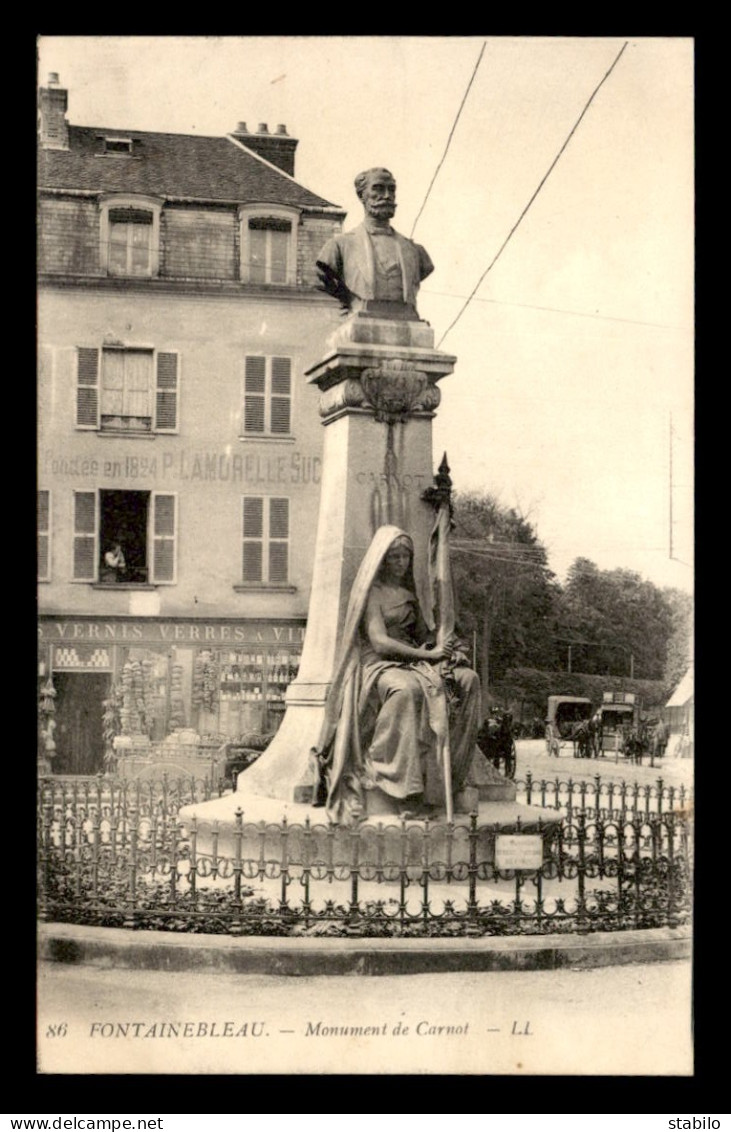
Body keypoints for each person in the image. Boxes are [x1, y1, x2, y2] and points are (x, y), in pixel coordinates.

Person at [315, 525, 481, 825]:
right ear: (382, 559)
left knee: (467, 680)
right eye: (394, 557)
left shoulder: (408, 595)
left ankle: (446, 780)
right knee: (406, 691)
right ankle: (396, 782)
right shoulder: (372, 593)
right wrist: (428, 656)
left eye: (405, 556)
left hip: (412, 661)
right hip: (377, 665)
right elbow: (379, 642)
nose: (401, 562)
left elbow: (422, 635)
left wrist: (448, 643)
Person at [316, 168, 434, 317]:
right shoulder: (340, 246)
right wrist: (351, 301)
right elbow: (323, 277)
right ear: (361, 195)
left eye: (391, 190)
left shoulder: (415, 251)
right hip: (362, 319)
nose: (387, 196)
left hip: (407, 320)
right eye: (378, 188)